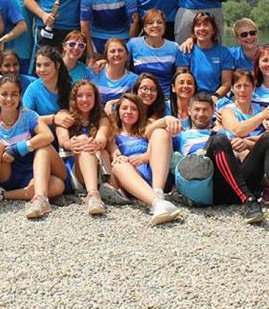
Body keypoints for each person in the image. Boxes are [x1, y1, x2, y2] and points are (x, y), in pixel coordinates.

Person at [172, 92, 269, 223]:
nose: (201, 114)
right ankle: (248, 200)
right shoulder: (181, 135)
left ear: (213, 111)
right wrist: (166, 120)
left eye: (205, 110)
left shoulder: (224, 131)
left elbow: (243, 148)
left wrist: (243, 143)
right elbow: (152, 134)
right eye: (197, 109)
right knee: (219, 140)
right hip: (212, 186)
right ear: (189, 111)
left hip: (240, 180)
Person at [0, 75, 66, 219]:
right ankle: (12, 194)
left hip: (31, 173)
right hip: (7, 174)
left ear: (20, 96)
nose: (9, 99)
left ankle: (35, 198)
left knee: (57, 182)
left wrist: (16, 149)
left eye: (14, 94)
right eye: (4, 94)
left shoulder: (28, 115)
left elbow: (48, 136)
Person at [108, 93, 182, 225]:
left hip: (155, 173)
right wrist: (120, 157)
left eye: (134, 109)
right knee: (119, 165)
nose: (129, 112)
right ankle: (157, 203)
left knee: (160, 133)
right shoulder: (113, 133)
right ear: (118, 111)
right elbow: (112, 151)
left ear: (139, 112)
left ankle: (158, 193)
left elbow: (161, 127)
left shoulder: (144, 129)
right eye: (124, 108)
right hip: (132, 176)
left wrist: (146, 156)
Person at [55, 79, 116, 214]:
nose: (85, 99)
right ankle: (93, 194)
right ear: (74, 98)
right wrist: (70, 144)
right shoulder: (65, 115)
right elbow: (62, 139)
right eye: (80, 96)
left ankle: (93, 195)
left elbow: (102, 137)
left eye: (89, 95)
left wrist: (95, 143)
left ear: (95, 97)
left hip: (97, 168)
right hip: (73, 171)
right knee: (82, 140)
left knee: (86, 142)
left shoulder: (102, 117)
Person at [175, 12, 233, 100]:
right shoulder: (185, 51)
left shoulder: (224, 52)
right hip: (191, 98)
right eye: (198, 25)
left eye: (206, 25)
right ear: (193, 30)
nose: (202, 28)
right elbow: (181, 80)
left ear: (213, 30)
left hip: (215, 98)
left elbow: (226, 83)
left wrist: (215, 97)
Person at [127, 10, 179, 96]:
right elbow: (120, 63)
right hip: (140, 95)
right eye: (150, 23)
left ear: (165, 26)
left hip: (166, 96)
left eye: (159, 22)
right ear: (144, 27)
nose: (155, 25)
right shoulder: (133, 44)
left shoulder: (174, 47)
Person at [22, 45, 73, 120]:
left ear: (58, 65)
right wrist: (54, 119)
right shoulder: (33, 88)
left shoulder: (70, 87)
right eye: (38, 65)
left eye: (47, 65)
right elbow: (24, 118)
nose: (42, 69)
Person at [90, 38, 139, 107]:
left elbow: (134, 103)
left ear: (127, 55)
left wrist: (112, 103)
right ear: (106, 56)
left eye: (120, 51)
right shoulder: (95, 72)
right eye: (112, 51)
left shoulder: (133, 79)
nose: (117, 54)